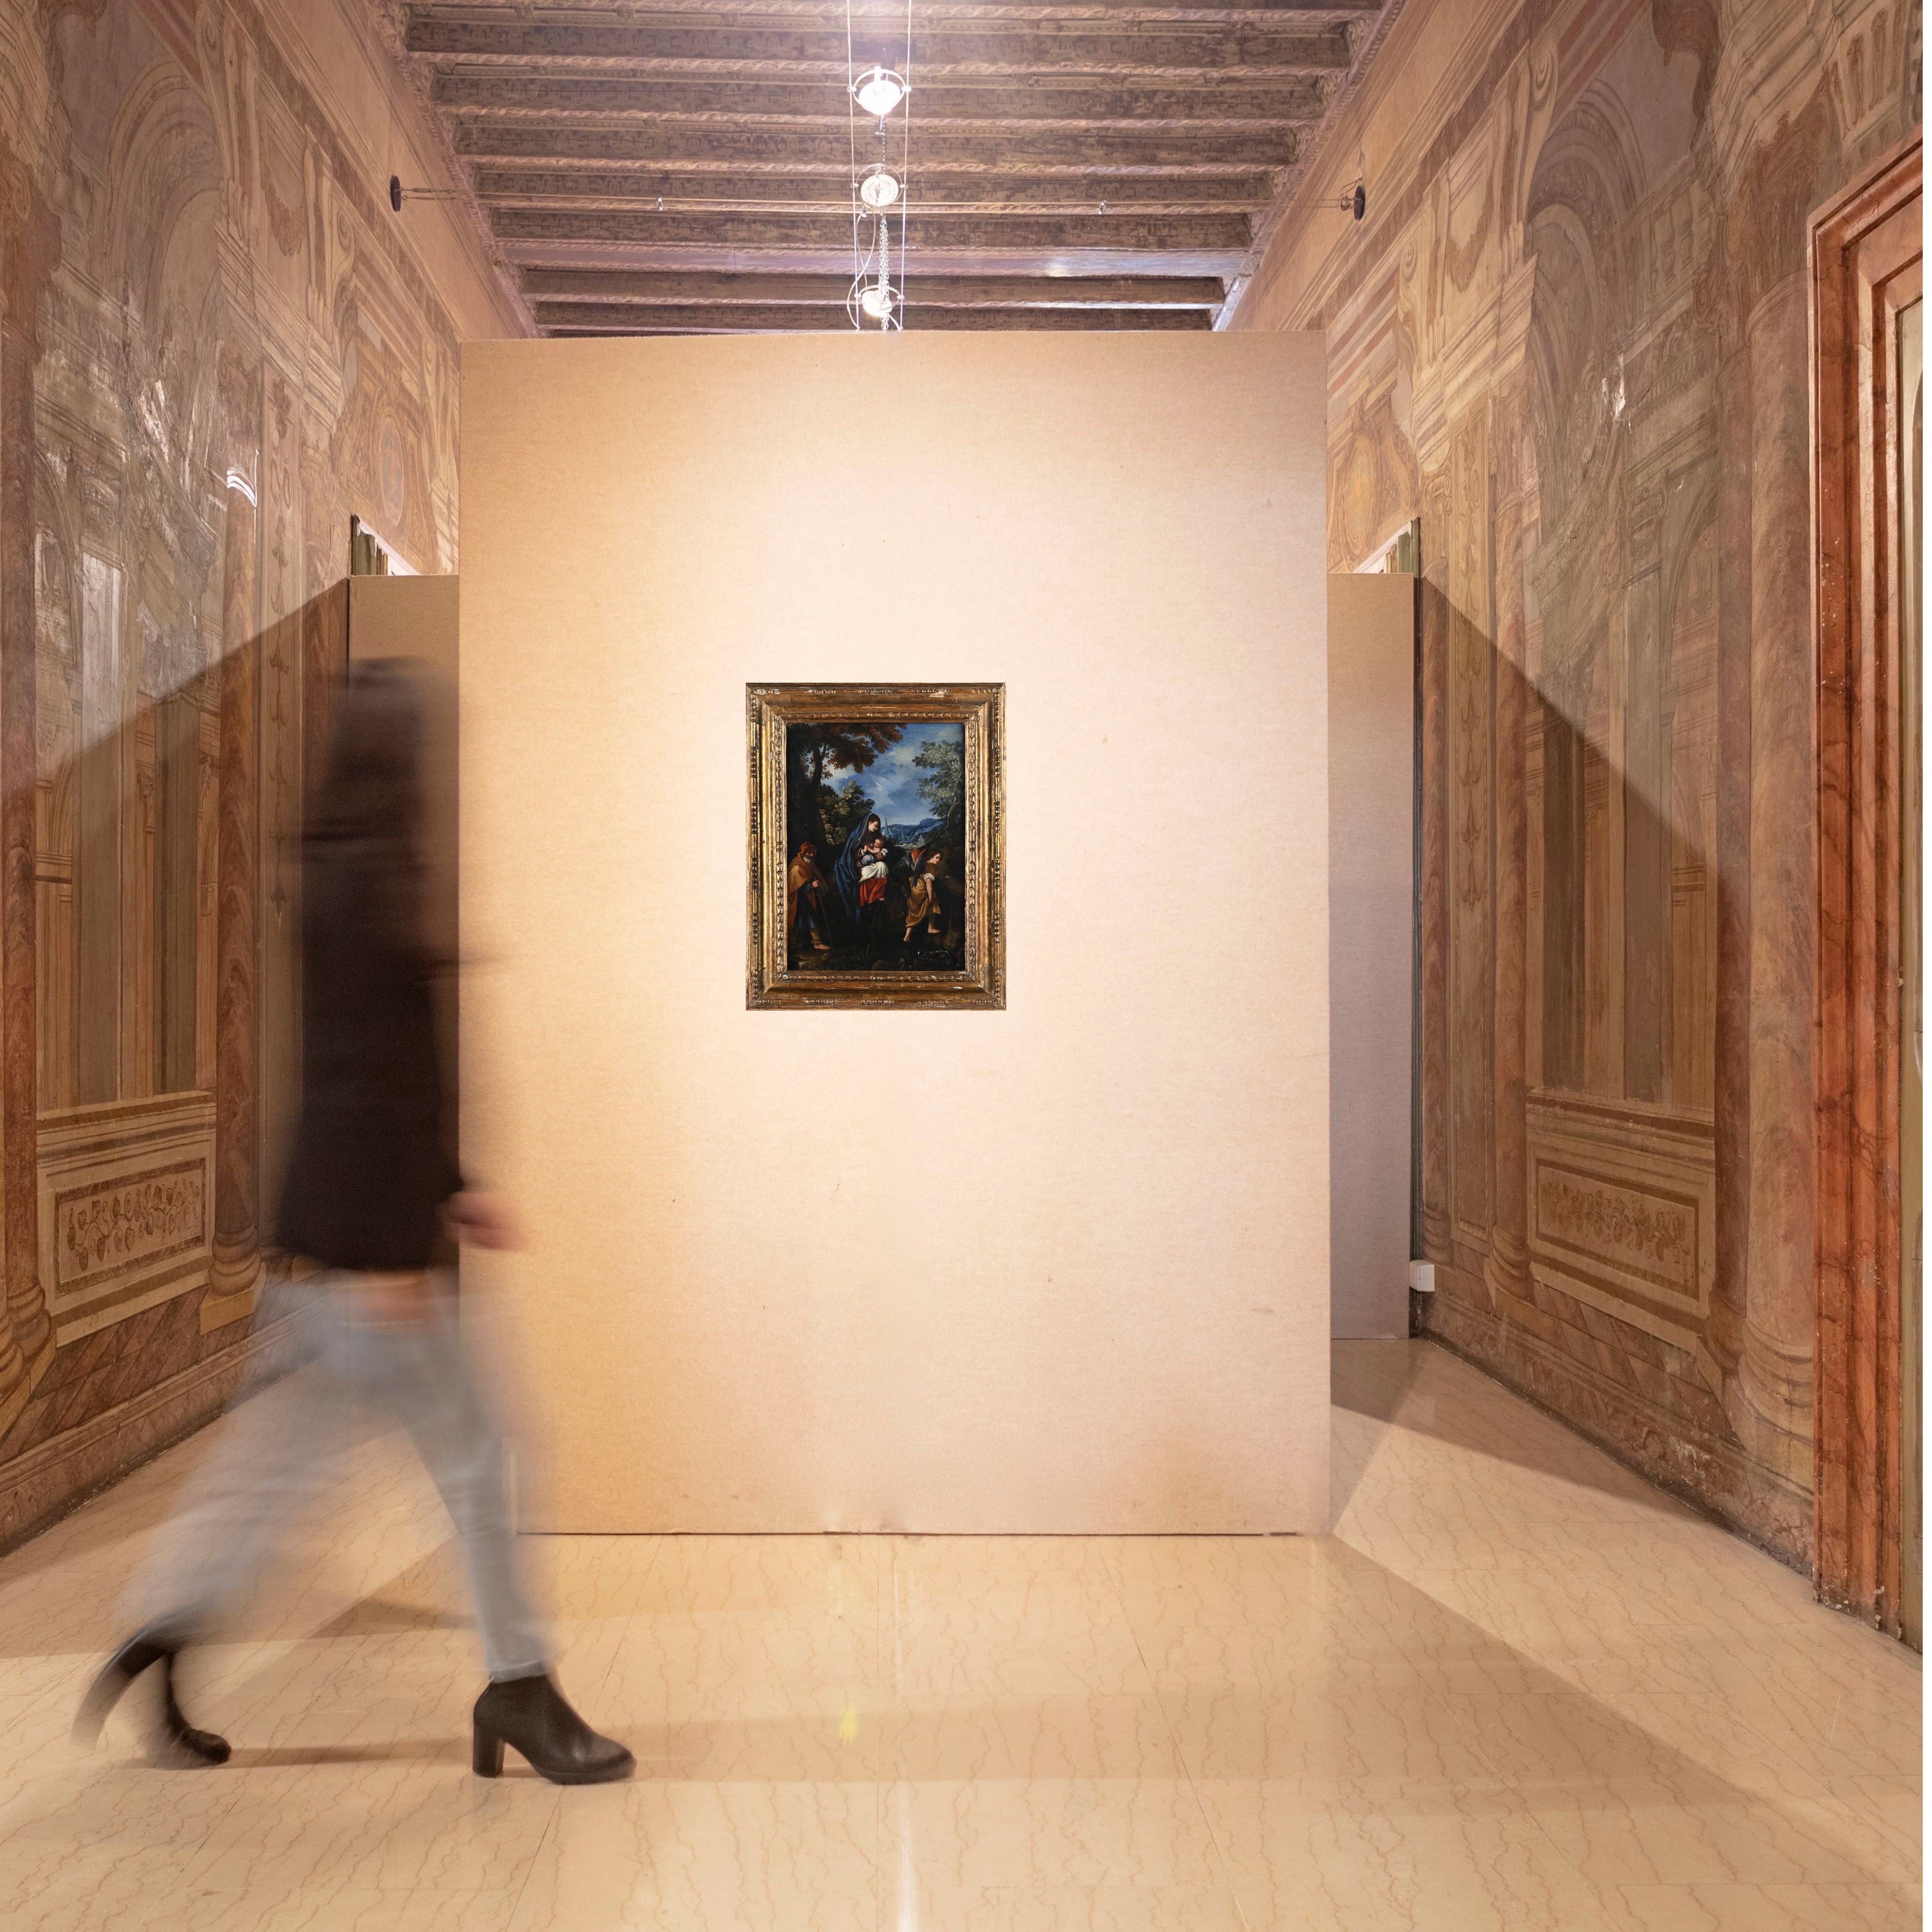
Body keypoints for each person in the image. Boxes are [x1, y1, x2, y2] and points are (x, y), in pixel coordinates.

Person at [74, 661, 632, 1787]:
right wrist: (395, 1250)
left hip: (327, 1237)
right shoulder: (377, 885)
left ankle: (160, 1633)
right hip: (370, 1252)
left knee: (277, 1473)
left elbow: (382, 1069)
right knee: (483, 1455)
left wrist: (454, 1181)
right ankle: (518, 1683)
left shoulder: (338, 872)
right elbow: (368, 1076)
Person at [786, 839, 832, 957]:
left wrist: (824, 884)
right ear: (803, 854)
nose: (812, 855)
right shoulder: (797, 867)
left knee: (804, 918)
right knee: (801, 919)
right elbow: (795, 887)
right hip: (796, 898)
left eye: (813, 853)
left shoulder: (809, 863)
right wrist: (811, 885)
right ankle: (813, 943)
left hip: (804, 896)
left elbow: (817, 873)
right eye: (809, 853)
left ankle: (809, 943)